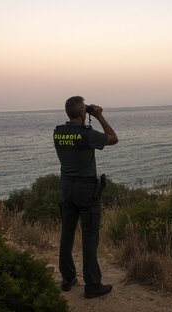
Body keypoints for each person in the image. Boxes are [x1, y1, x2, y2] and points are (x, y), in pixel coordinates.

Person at [53, 96, 118, 299]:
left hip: (66, 187)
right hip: (86, 190)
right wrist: (98, 115)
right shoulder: (86, 135)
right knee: (90, 237)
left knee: (67, 234)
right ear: (83, 113)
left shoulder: (58, 133)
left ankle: (68, 278)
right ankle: (92, 285)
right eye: (84, 111)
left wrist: (85, 114)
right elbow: (113, 138)